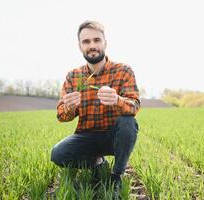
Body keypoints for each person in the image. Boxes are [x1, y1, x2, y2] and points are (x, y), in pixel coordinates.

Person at [51, 20, 140, 199]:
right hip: (87, 136)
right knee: (58, 153)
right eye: (86, 42)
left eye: (96, 40)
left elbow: (134, 106)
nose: (92, 45)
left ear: (105, 42)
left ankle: (116, 176)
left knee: (128, 121)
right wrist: (69, 107)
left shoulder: (123, 71)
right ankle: (97, 162)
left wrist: (117, 100)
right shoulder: (74, 76)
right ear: (80, 46)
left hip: (113, 135)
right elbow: (61, 115)